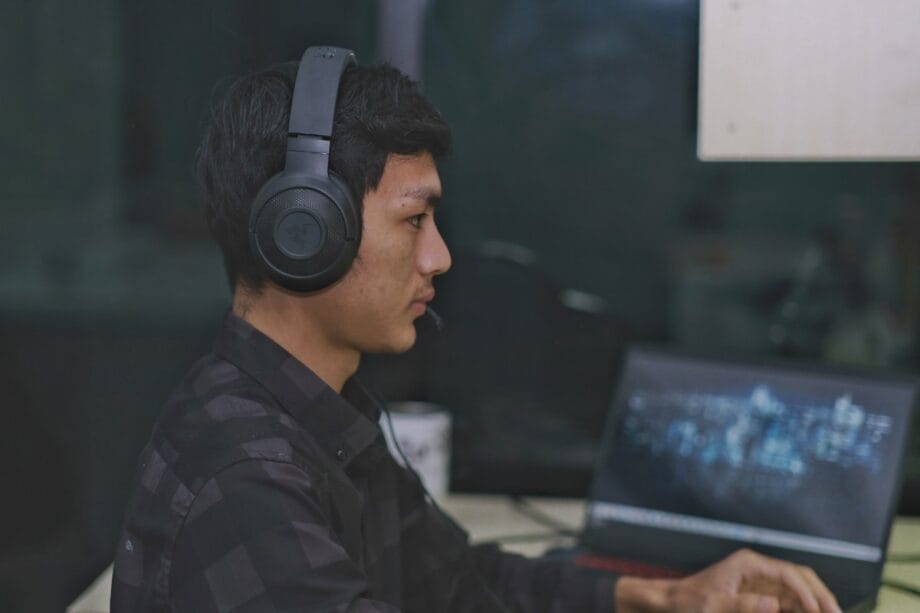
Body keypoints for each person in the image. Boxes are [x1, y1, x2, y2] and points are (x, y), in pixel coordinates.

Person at [111, 48, 841, 612]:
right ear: (306, 233)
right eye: (414, 219)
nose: (440, 257)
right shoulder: (246, 482)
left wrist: (663, 596)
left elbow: (458, 585)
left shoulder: (309, 412)